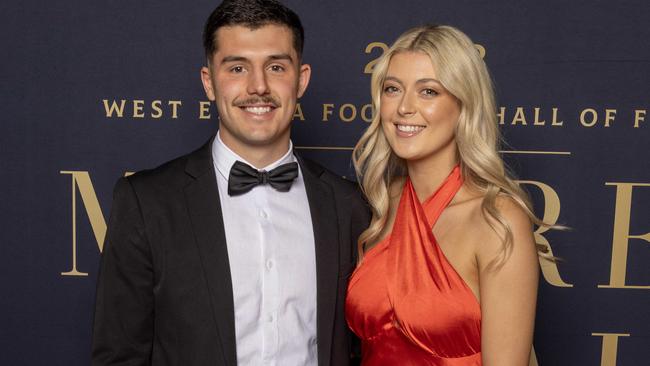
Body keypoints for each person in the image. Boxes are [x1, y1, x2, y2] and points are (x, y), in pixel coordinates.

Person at [91, 1, 369, 365]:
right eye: (237, 67)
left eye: (276, 67)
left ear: (301, 80)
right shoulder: (147, 203)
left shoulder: (348, 206)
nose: (258, 86)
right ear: (209, 82)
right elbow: (119, 356)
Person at [346, 25, 543, 365]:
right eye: (393, 89)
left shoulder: (496, 219)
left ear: (463, 103)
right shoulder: (377, 205)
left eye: (428, 92)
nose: (405, 107)